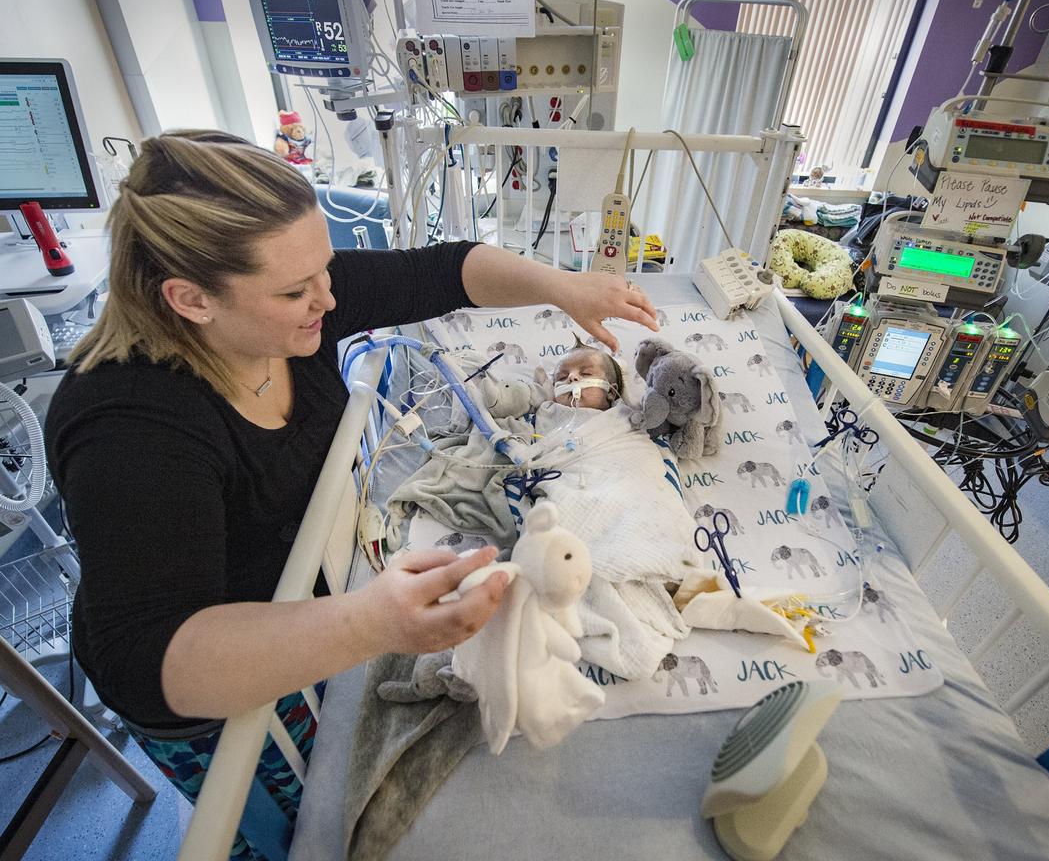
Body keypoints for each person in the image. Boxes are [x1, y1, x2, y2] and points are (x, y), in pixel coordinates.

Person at [44, 129, 657, 858]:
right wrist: (370, 624)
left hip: (299, 591)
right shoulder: (129, 429)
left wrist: (563, 287)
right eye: (297, 290)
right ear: (190, 299)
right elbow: (146, 659)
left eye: (326, 269)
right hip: (211, 688)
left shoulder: (289, 304)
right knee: (301, 828)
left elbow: (441, 270)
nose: (329, 299)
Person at [550, 335, 625, 410]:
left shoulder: (622, 416)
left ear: (610, 392)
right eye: (562, 377)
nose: (572, 376)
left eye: (586, 373)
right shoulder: (548, 411)